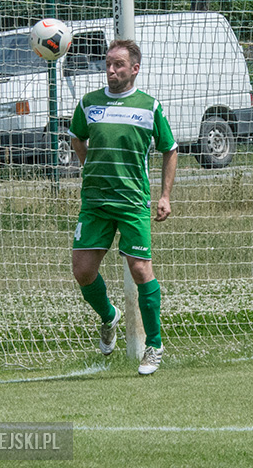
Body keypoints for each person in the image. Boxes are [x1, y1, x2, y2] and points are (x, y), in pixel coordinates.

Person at [69, 39, 178, 375]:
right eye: (108, 64)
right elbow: (77, 137)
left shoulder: (149, 106)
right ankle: (110, 316)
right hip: (95, 203)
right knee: (82, 271)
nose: (111, 70)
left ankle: (154, 346)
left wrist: (164, 196)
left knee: (141, 270)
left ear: (135, 68)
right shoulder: (89, 104)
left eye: (118, 64)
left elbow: (170, 149)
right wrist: (92, 168)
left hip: (132, 202)